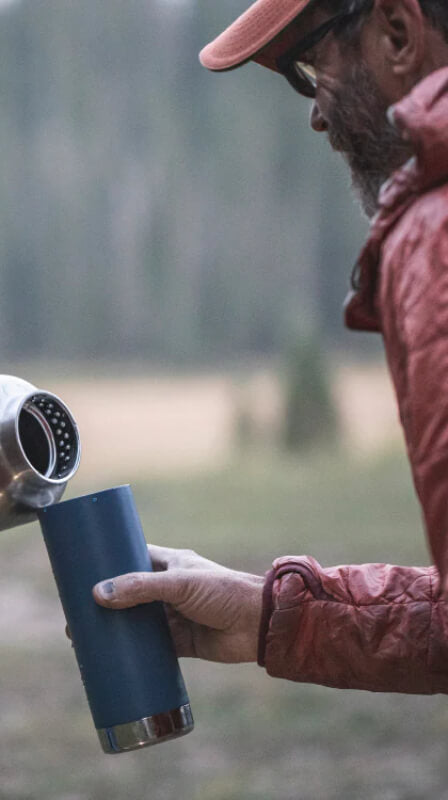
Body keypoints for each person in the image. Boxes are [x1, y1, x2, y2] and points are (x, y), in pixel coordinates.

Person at [94, 0, 448, 694]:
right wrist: (274, 614)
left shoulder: (434, 234)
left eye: (310, 66)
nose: (316, 114)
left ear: (397, 32)